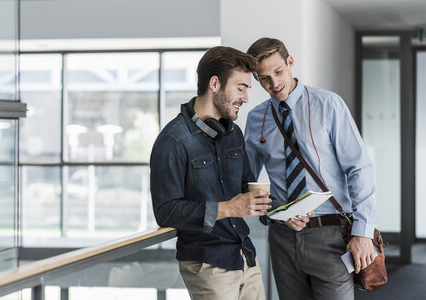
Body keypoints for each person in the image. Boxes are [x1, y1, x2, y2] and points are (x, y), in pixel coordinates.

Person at [244, 37, 377, 300]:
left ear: (290, 62)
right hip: (282, 238)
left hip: (332, 235)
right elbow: (246, 181)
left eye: (278, 71)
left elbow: (359, 168)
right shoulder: (256, 118)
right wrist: (273, 212)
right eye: (264, 78)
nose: (274, 83)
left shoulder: (328, 105)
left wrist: (363, 232)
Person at [150, 46, 272, 300]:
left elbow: (244, 189)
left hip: (245, 258)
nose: (246, 98)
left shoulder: (233, 134)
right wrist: (228, 208)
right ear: (214, 83)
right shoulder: (173, 140)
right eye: (241, 88)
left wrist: (283, 212)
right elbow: (166, 211)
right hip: (208, 266)